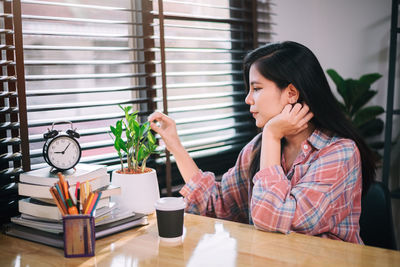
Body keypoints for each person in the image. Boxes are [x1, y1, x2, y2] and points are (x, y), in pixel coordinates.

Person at [148, 41, 376, 244]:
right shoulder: (258, 147)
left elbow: (273, 219)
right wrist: (174, 145)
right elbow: (216, 205)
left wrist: (271, 135)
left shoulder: (339, 153)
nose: (248, 99)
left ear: (291, 93)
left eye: (256, 89)